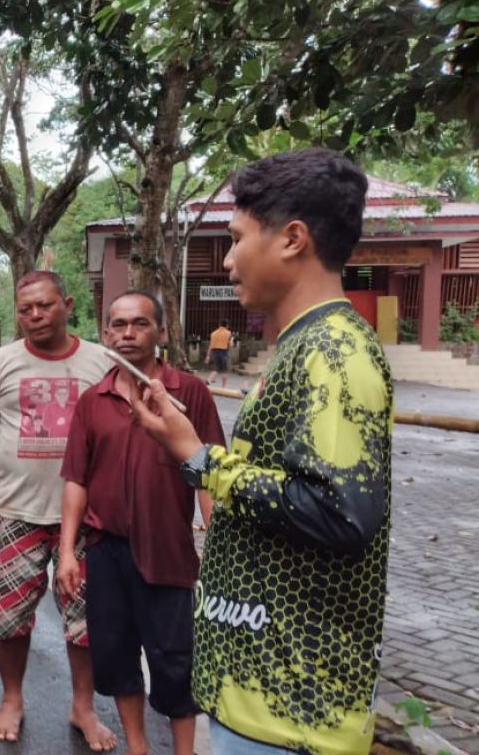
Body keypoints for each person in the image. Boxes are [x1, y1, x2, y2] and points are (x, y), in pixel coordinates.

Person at [129, 149, 392, 755]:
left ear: (293, 239)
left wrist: (199, 459)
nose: (226, 258)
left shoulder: (334, 351)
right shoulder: (305, 345)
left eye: (237, 237)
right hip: (259, 698)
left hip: (290, 710)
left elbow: (340, 512)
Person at [58, 290, 225, 755]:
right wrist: (67, 551)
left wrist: (220, 548)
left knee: (175, 660)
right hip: (107, 550)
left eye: (139, 324)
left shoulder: (188, 393)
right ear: (106, 333)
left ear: (161, 332)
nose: (127, 333)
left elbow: (211, 474)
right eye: (118, 325)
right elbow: (76, 479)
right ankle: (137, 747)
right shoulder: (94, 400)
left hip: (168, 550)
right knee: (115, 656)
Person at [0, 271, 116, 748]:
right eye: (25, 309)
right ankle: (12, 699)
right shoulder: (0, 363)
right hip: (15, 510)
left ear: (66, 304)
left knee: (85, 619)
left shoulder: (102, 362)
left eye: (44, 306)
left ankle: (82, 707)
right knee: (9, 616)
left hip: (87, 517)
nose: (34, 316)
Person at [204, 319, 234, 388]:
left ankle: (209, 380)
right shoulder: (228, 333)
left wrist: (208, 356)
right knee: (225, 370)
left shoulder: (213, 333)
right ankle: (223, 387)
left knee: (216, 368)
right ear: (227, 326)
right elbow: (231, 345)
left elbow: (210, 345)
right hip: (224, 352)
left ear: (219, 325)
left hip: (214, 352)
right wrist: (232, 340)